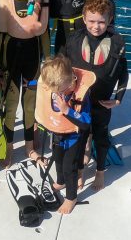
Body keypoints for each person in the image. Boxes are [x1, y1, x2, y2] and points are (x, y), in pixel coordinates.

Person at [63, 0, 128, 191]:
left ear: (109, 20)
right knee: (80, 138)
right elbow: (63, 67)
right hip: (79, 102)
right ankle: (81, 171)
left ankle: (100, 172)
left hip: (102, 103)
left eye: (101, 21)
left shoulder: (117, 41)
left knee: (101, 138)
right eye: (91, 21)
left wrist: (118, 99)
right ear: (84, 19)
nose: (96, 26)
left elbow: (123, 72)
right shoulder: (74, 40)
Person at [0, 0, 50, 166]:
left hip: (32, 54)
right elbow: (1, 30)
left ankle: (29, 147)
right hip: (9, 53)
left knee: (30, 103)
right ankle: (8, 146)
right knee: (10, 103)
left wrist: (48, 58)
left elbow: (43, 31)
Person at [35, 55, 93, 214]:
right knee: (58, 160)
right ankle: (61, 182)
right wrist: (31, 84)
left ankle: (71, 197)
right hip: (57, 135)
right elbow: (42, 90)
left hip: (73, 138)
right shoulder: (53, 88)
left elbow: (86, 122)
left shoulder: (81, 95)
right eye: (56, 90)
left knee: (69, 168)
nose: (60, 93)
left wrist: (67, 110)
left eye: (63, 89)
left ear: (72, 79)